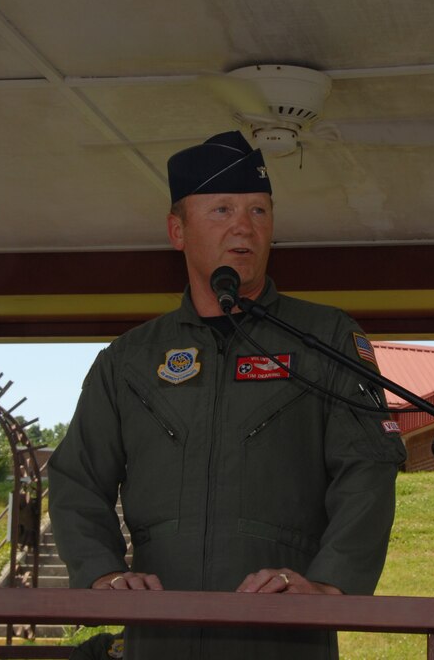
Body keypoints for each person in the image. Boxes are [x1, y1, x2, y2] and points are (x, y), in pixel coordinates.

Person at [48, 130, 407, 659]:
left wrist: (330, 586)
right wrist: (101, 574)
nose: (244, 226)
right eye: (221, 209)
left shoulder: (326, 339)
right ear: (177, 230)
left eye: (259, 211)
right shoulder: (127, 360)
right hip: (159, 634)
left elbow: (368, 468)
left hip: (284, 635)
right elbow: (76, 479)